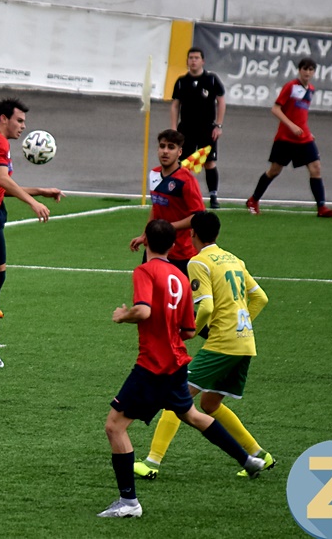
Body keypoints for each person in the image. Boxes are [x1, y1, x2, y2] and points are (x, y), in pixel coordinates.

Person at [99, 220, 266, 519]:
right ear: (174, 245)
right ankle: (248, 459)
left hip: (152, 365)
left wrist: (124, 315)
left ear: (146, 241)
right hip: (177, 361)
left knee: (115, 426)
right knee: (192, 414)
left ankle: (129, 502)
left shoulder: (145, 271)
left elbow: (144, 310)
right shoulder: (179, 273)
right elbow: (189, 331)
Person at [134, 211, 275, 480]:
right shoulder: (234, 258)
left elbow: (207, 306)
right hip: (244, 343)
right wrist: (240, 326)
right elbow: (261, 298)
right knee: (210, 404)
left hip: (222, 344)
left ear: (192, 234)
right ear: (217, 234)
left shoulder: (198, 262)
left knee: (176, 398)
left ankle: (152, 462)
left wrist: (187, 334)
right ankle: (260, 456)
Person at [0, 97, 64, 368]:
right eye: (19, 120)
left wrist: (41, 190)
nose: (23, 127)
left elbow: (2, 185)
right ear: (3, 119)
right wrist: (33, 203)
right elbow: (2, 180)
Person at [246, 58, 332, 217]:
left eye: (311, 69)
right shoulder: (291, 86)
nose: (308, 72)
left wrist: (307, 132)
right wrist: (291, 126)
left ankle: (322, 208)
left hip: (303, 138)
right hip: (285, 138)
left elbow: (301, 115)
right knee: (274, 171)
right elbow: (275, 109)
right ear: (299, 70)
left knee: (316, 168)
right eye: (305, 69)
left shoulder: (311, 89)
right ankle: (253, 200)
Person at [129, 129, 204, 277]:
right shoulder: (154, 174)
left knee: (178, 297)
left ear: (179, 152)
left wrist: (169, 227)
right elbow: (156, 208)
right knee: (148, 293)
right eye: (162, 146)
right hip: (154, 247)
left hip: (181, 253)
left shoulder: (186, 181)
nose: (165, 151)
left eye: (171, 147)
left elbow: (199, 217)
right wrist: (145, 235)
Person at [170, 47, 226, 209]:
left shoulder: (212, 80)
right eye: (191, 58)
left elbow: (221, 102)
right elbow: (175, 106)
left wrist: (219, 125)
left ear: (203, 61)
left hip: (207, 129)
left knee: (209, 162)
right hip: (186, 129)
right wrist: (174, 129)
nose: (193, 61)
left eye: (196, 58)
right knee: (184, 164)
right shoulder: (181, 81)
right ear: (187, 61)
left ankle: (213, 195)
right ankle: (181, 195)